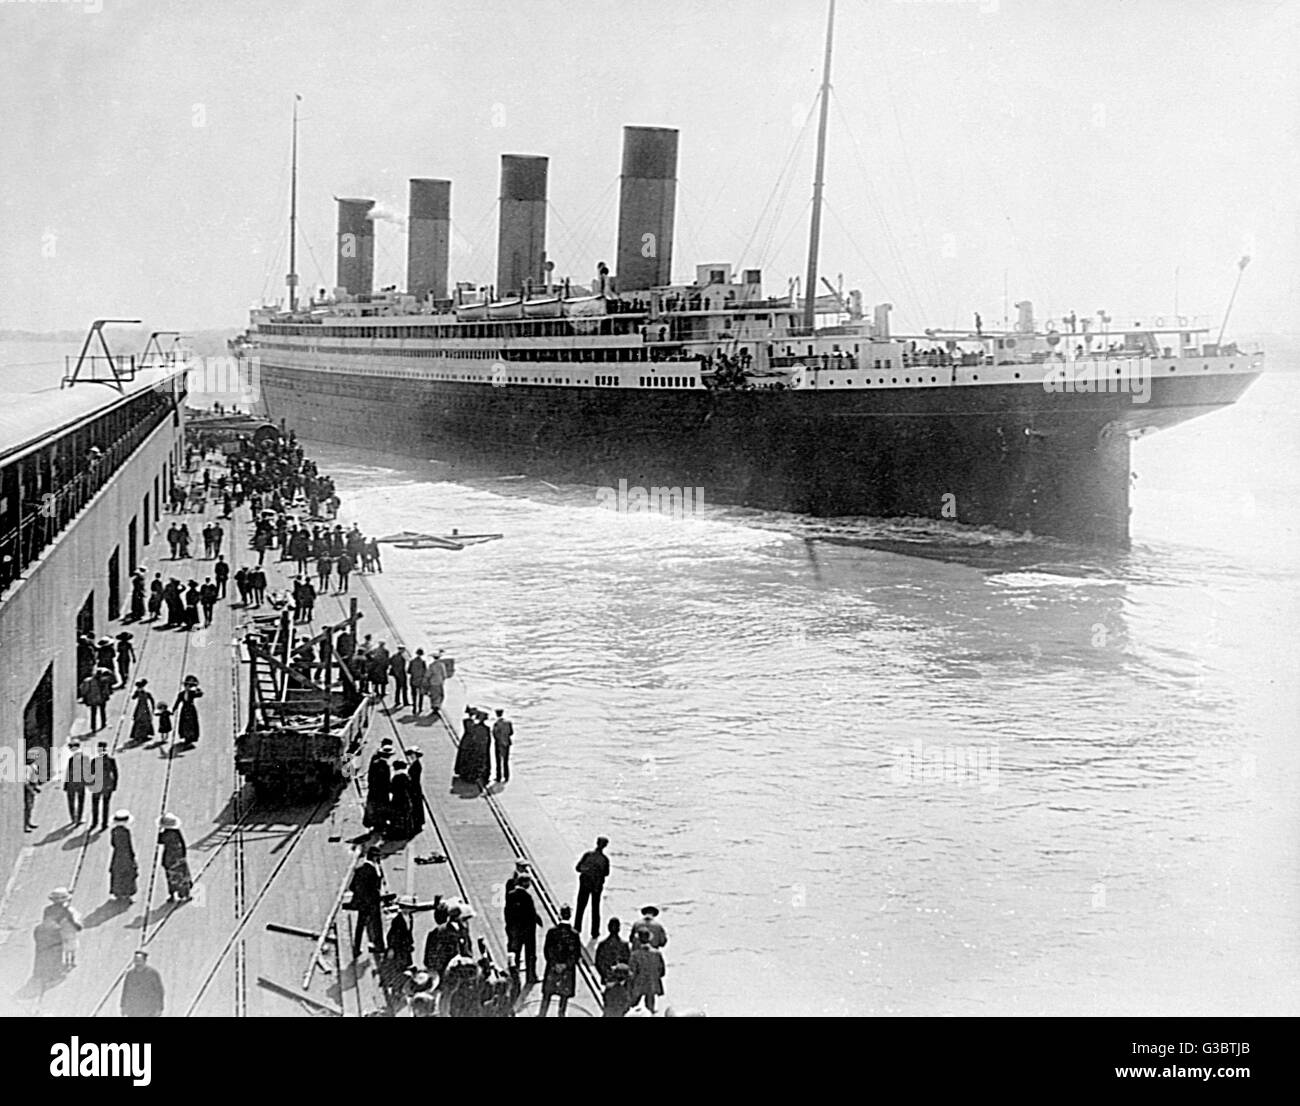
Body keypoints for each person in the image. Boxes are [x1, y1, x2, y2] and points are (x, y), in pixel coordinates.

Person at [538, 905, 581, 1017]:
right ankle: (561, 1014)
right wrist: (566, 965)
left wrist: (554, 964)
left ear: (559, 914)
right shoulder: (574, 934)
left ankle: (542, 1014)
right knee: (564, 996)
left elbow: (547, 950)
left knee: (547, 995)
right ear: (570, 916)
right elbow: (576, 955)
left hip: (553, 968)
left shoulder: (552, 932)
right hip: (567, 971)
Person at [504, 874, 542, 985]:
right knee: (530, 953)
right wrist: (537, 919)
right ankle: (531, 976)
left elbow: (507, 912)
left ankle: (514, 976)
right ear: (524, 883)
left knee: (516, 952)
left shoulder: (510, 895)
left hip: (515, 929)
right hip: (528, 930)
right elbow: (531, 913)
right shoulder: (527, 896)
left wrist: (510, 927)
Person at [348, 847, 386, 959]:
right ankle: (379, 946)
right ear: (374, 857)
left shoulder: (360, 870)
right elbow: (376, 886)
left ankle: (356, 948)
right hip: (373, 902)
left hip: (362, 903)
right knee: (376, 924)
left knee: (360, 926)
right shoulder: (374, 871)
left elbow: (352, 887)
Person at [574, 836, 610, 940]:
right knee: (595, 909)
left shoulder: (587, 855)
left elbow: (578, 868)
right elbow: (606, 873)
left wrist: (587, 870)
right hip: (597, 887)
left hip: (584, 884)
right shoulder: (604, 859)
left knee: (580, 907)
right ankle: (594, 932)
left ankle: (577, 928)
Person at [628, 929, 667, 1013]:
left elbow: (632, 973)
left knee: (631, 1007)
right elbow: (662, 971)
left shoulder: (635, 955)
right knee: (650, 1008)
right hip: (652, 984)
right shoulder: (657, 953)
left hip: (638, 984)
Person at [45, 889, 83, 970]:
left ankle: (62, 962)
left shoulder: (48, 910)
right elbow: (73, 921)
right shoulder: (68, 910)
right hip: (68, 930)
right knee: (71, 946)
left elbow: (45, 921)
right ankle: (70, 961)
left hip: (55, 932)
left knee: (61, 947)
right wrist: (78, 926)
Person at [157, 813, 192, 902]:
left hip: (169, 859)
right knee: (183, 877)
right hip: (179, 858)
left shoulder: (165, 834)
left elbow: (159, 840)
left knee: (171, 878)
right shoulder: (177, 832)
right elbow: (183, 844)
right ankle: (185, 894)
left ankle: (172, 895)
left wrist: (160, 830)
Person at [120, 951, 165, 1017]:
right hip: (133, 1010)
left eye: (139, 960)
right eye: (136, 960)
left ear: (144, 961)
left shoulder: (152, 974)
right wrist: (123, 1006)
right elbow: (125, 991)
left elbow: (159, 992)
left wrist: (159, 1008)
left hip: (149, 1010)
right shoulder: (130, 974)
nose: (137, 962)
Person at [88, 740, 119, 831]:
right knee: (106, 804)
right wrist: (114, 785)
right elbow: (115, 774)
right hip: (107, 785)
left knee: (95, 805)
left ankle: (94, 822)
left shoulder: (94, 761)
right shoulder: (111, 760)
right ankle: (104, 823)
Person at [109, 810, 138, 901]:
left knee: (117, 873)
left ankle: (118, 892)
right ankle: (127, 893)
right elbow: (129, 845)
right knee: (128, 874)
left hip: (117, 855)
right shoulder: (126, 832)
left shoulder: (114, 831)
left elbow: (113, 844)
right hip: (126, 855)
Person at [363, 741, 392, 834]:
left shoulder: (375, 762)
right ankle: (380, 824)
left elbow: (370, 776)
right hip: (382, 792)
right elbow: (386, 781)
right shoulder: (385, 766)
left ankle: (374, 824)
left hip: (373, 790)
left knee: (373, 807)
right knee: (382, 807)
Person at [386, 760, 418, 840]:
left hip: (398, 800)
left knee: (398, 817)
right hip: (406, 799)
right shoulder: (406, 776)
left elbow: (392, 788)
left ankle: (398, 834)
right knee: (406, 817)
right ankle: (407, 832)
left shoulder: (397, 777)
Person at [594, 917, 631, 983]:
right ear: (619, 929)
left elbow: (598, 963)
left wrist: (606, 974)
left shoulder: (602, 945)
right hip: (619, 980)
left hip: (608, 978)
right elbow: (628, 961)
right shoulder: (624, 945)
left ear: (608, 928)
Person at [64, 740, 89, 824]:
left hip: (71, 783)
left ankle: (73, 818)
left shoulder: (72, 758)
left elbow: (68, 772)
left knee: (71, 801)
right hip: (80, 783)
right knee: (80, 800)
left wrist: (66, 784)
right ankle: (79, 818)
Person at [173, 676, 203, 745]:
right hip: (184, 710)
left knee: (192, 724)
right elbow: (177, 702)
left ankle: (191, 737)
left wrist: (197, 689)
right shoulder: (181, 694)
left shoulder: (192, 693)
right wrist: (174, 709)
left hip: (191, 709)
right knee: (185, 724)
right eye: (186, 685)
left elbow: (200, 694)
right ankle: (186, 737)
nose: (187, 687)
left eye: (189, 686)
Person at [406, 747, 425, 834]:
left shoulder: (416, 765)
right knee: (416, 806)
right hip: (415, 787)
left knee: (416, 806)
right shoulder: (415, 764)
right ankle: (417, 823)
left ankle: (417, 824)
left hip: (414, 788)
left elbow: (413, 778)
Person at [129, 680, 155, 744]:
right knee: (140, 721)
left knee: (143, 721)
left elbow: (152, 700)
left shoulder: (145, 693)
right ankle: (140, 735)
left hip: (143, 708)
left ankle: (143, 735)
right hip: (142, 708)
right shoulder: (140, 693)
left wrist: (153, 707)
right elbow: (133, 697)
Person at [492, 708, 514, 783]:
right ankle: (506, 776)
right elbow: (511, 733)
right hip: (507, 743)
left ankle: (499, 777)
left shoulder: (496, 724)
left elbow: (494, 734)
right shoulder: (508, 723)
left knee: (498, 761)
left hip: (499, 743)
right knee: (506, 761)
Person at [24, 748, 42, 832]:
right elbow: (26, 782)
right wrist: (32, 790)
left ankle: (29, 822)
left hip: (33, 787)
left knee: (31, 808)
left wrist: (36, 787)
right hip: (29, 789)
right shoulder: (27, 768)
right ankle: (25, 825)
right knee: (28, 807)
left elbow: (35, 778)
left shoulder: (34, 766)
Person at [408, 649, 428, 714]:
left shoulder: (412, 661)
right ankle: (420, 708)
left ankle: (414, 708)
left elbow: (409, 671)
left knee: (413, 695)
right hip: (420, 681)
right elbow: (425, 672)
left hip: (413, 680)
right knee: (421, 695)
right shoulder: (423, 662)